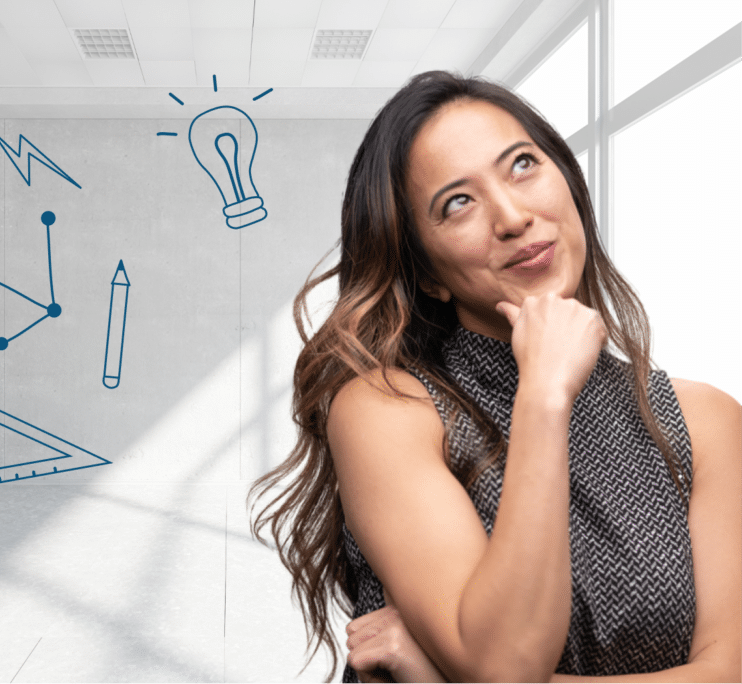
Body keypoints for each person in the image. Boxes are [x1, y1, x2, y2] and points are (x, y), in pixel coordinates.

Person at [248, 70, 741, 684]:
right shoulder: (386, 411)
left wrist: (438, 674)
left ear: (568, 180)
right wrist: (544, 393)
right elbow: (506, 667)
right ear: (427, 272)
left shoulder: (705, 420)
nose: (512, 216)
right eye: (458, 203)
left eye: (523, 165)